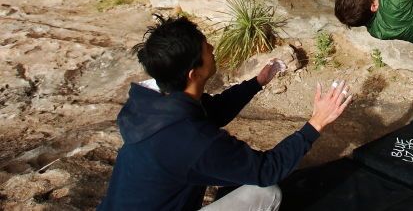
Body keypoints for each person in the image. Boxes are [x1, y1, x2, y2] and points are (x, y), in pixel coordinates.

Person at [98, 15, 351, 210]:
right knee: (266, 193)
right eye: (206, 49)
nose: (212, 49)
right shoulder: (190, 140)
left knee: (232, 182)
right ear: (193, 73)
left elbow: (212, 111)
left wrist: (256, 83)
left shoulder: (149, 105)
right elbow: (267, 169)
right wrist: (316, 122)